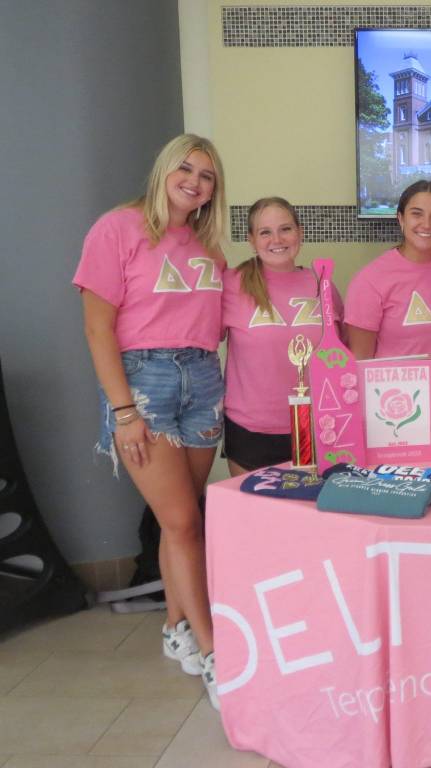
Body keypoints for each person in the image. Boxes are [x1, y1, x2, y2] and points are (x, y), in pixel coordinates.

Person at [73, 134, 227, 708]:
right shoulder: (117, 228)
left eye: (206, 175)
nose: (194, 181)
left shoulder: (207, 246)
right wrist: (123, 411)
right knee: (185, 523)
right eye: (185, 168)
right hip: (145, 383)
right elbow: (97, 327)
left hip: (204, 380)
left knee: (178, 521)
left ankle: (174, 628)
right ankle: (212, 651)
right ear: (163, 170)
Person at [221, 197, 343, 475]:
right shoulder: (232, 284)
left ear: (300, 232)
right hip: (250, 429)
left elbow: (340, 353)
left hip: (315, 426)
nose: (277, 239)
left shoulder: (322, 283)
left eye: (285, 229)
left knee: (307, 503)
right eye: (265, 232)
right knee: (253, 505)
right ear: (251, 240)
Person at [344, 181, 431, 444]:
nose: (426, 224)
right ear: (400, 218)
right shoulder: (371, 280)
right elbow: (360, 361)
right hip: (396, 414)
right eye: (416, 214)